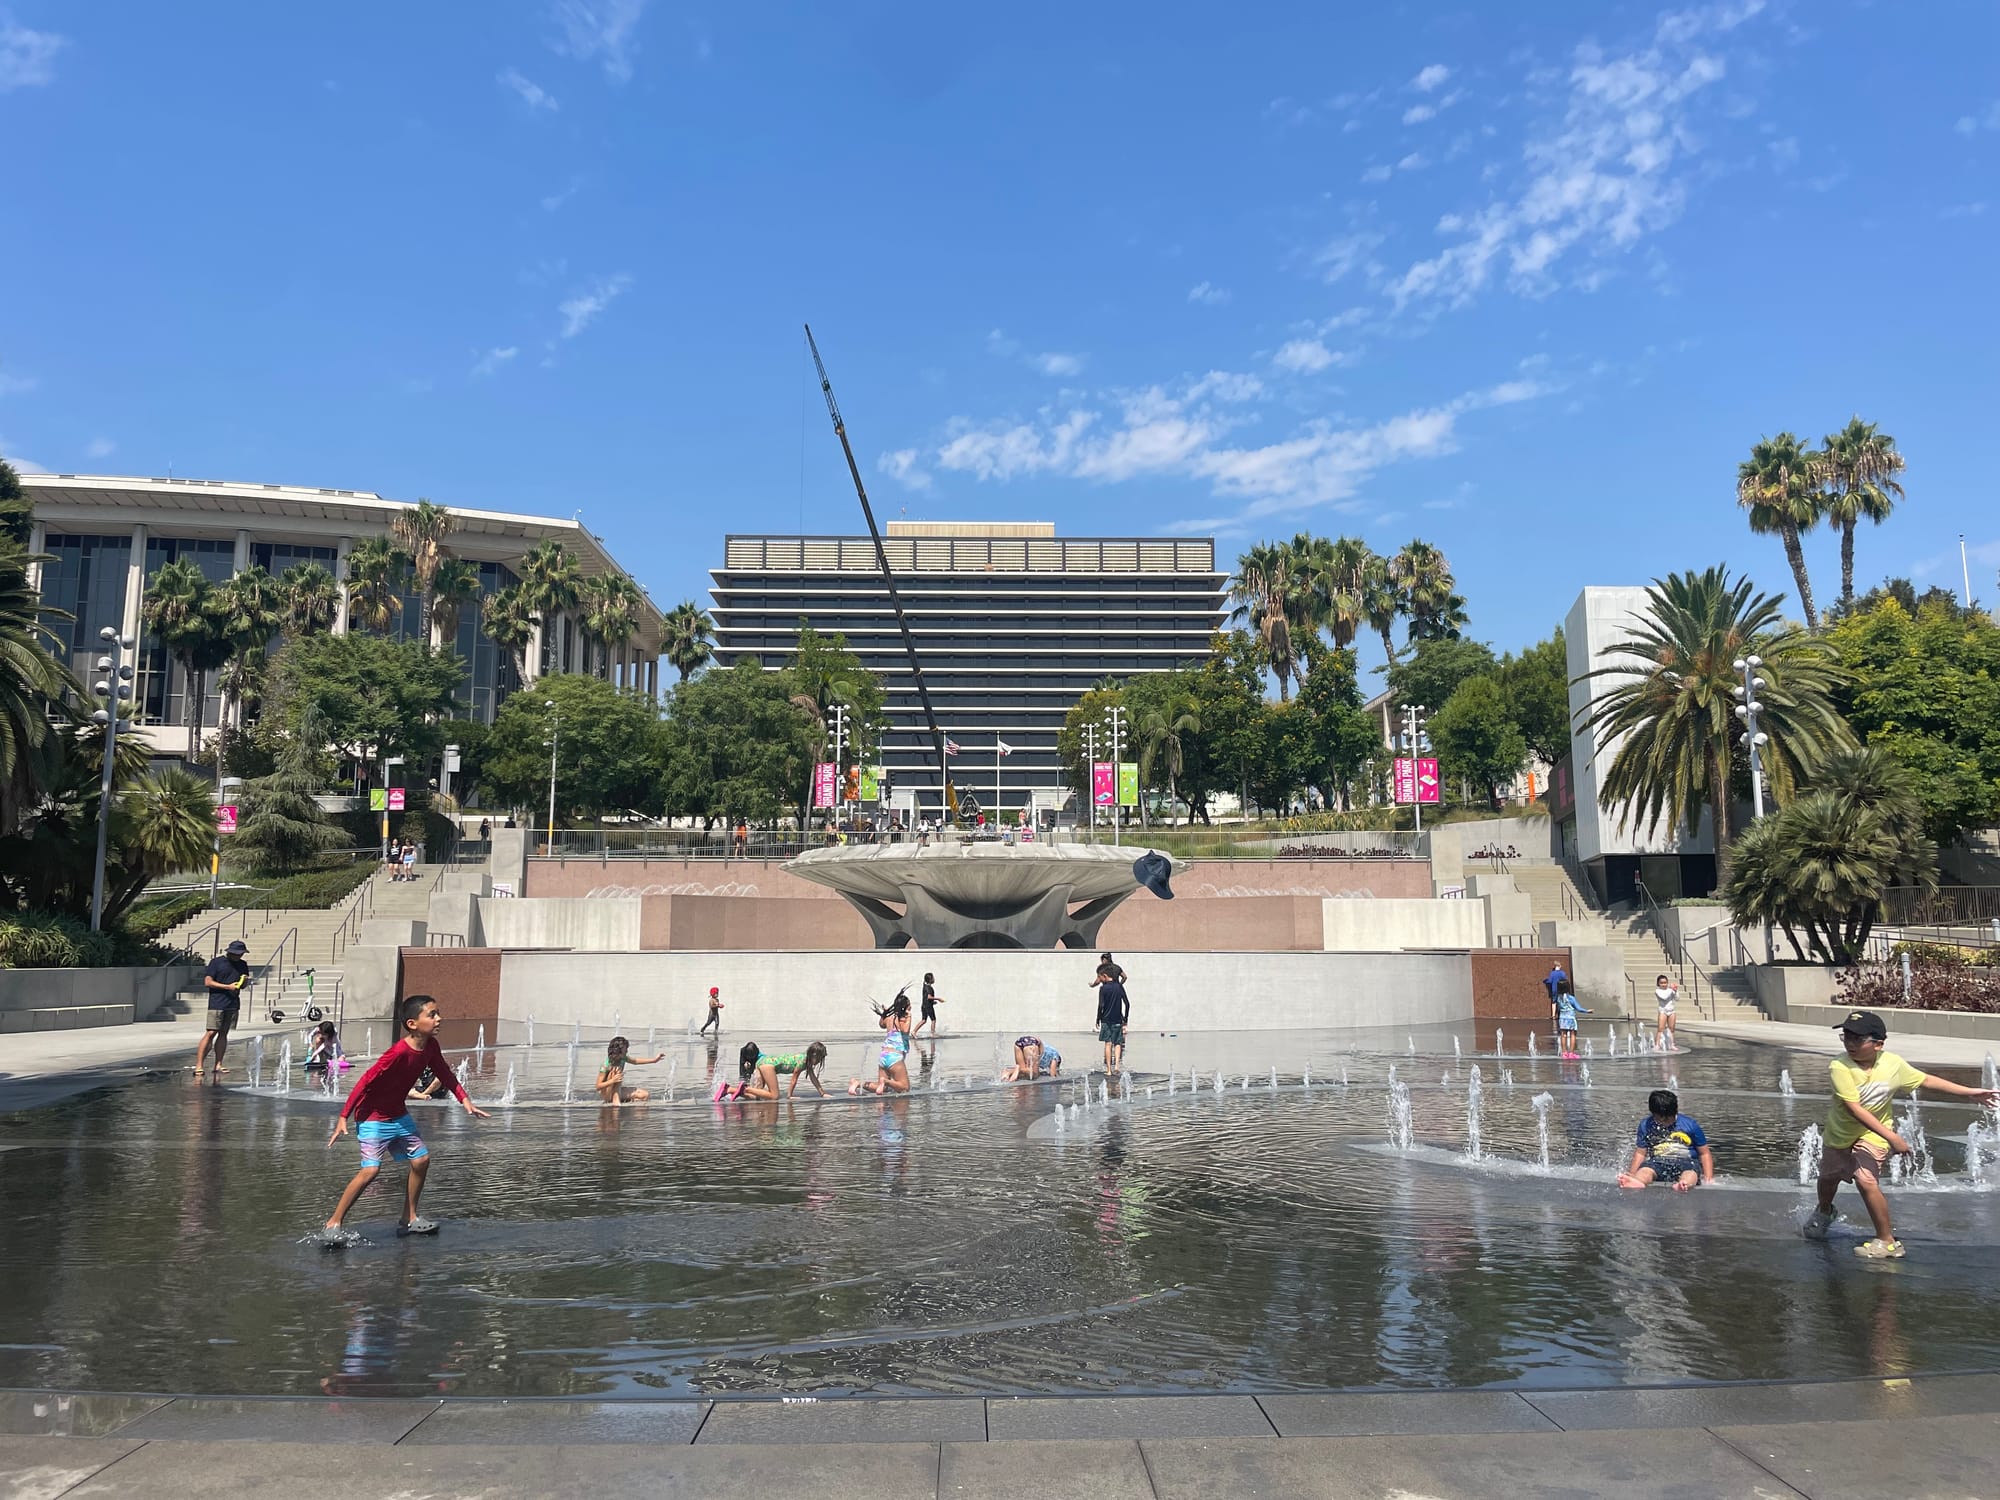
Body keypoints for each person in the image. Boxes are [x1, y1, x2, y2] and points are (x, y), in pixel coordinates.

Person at [1805, 1009, 2000, 1258]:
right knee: (1828, 1178)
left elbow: (1925, 1080)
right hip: (1840, 1134)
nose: (1850, 1044)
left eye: (1857, 1039)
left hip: (1873, 1134)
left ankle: (1887, 1241)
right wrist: (1894, 1137)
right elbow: (1853, 1109)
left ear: (1878, 1044)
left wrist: (1969, 1093)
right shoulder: (1840, 1066)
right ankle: (1824, 1211)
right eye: (1846, 1037)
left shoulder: (1892, 1064)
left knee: (1865, 1179)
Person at [320, 994, 490, 1246]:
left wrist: (465, 1100)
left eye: (437, 1013)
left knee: (421, 1160)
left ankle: (408, 1218)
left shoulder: (431, 1046)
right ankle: (333, 1223)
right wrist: (344, 1116)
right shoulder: (398, 1052)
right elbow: (365, 1081)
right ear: (412, 1023)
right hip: (373, 1117)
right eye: (431, 1014)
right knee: (371, 1170)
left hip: (398, 1114)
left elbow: (444, 1072)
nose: (438, 1018)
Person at [1618, 1089, 1714, 1191]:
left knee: (1690, 1174)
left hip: (1687, 1162)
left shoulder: (1690, 1125)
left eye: (1668, 1119)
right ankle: (1638, 1181)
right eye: (1660, 1119)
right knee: (1645, 1171)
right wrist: (1633, 1174)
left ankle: (1683, 1184)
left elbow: (1704, 1153)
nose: (1664, 1123)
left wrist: (1708, 1177)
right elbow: (1640, 1153)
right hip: (1657, 1162)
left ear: (1675, 1111)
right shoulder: (1646, 1125)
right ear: (1653, 1113)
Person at [193, 940, 252, 1078]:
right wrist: (227, 987)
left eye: (241, 954)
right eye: (237, 954)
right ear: (229, 952)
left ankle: (218, 1064)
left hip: (232, 1003)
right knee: (211, 1032)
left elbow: (242, 984)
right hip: (217, 1003)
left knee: (224, 1033)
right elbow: (208, 982)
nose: (239, 957)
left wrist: (243, 983)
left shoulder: (242, 965)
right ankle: (199, 1065)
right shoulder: (217, 962)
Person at [849, 993, 912, 1095]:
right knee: (905, 1087)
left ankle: (857, 1083)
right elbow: (905, 1030)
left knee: (882, 1088)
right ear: (905, 1007)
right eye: (909, 1005)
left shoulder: (889, 1018)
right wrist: (909, 1015)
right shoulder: (903, 1019)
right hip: (895, 1056)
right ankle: (886, 1081)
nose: (911, 1007)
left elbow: (881, 1025)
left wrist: (884, 1014)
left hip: (884, 1055)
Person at [737, 1041, 831, 1100]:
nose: (819, 1062)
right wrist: (789, 1096)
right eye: (819, 1059)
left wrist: (822, 1093)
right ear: (814, 1055)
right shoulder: (803, 1061)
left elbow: (813, 1078)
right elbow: (794, 1079)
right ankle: (746, 1088)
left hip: (763, 1062)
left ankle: (729, 1089)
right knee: (774, 1096)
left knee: (756, 1095)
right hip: (768, 1064)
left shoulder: (807, 1061)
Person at [596, 1035, 665, 1104]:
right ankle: (615, 1102)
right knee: (615, 1072)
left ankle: (624, 1105)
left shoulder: (623, 1058)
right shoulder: (606, 1065)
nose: (627, 1051)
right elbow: (598, 1086)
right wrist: (612, 1080)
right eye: (625, 1049)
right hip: (607, 1093)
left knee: (644, 1095)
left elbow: (635, 1061)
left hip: (617, 1088)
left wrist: (654, 1060)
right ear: (618, 1050)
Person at [1091, 959, 1130, 1072]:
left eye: (1100, 977)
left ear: (1104, 975)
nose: (1099, 980)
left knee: (1108, 1043)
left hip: (1106, 1019)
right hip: (1118, 1019)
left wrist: (1098, 1018)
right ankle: (1117, 1066)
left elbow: (1101, 1005)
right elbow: (1127, 1003)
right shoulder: (1119, 987)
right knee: (1118, 1043)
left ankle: (1108, 1069)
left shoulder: (1103, 989)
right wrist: (1125, 1019)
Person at [1554, 983, 1589, 1058]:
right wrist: (1587, 1011)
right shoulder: (1571, 998)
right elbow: (1578, 1008)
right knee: (1573, 1035)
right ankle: (1571, 1053)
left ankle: (1564, 1053)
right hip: (1571, 1018)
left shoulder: (1558, 998)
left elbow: (1558, 1008)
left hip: (1562, 1018)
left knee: (1563, 1035)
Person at [1654, 974, 1681, 1051]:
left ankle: (1672, 1044)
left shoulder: (1670, 990)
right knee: (1660, 1028)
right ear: (1658, 984)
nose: (1663, 984)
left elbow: (1677, 998)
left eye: (1665, 982)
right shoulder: (1658, 991)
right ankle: (1657, 1044)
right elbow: (1664, 997)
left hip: (1671, 1011)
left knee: (1671, 1029)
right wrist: (1671, 990)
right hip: (1663, 1011)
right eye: (1661, 983)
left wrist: (1675, 991)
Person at [1543, 962, 1569, 1040]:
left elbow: (1549, 981)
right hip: (1561, 989)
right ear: (1560, 966)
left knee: (1553, 1002)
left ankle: (1553, 1015)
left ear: (1555, 967)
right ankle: (1561, 1013)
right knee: (1561, 1001)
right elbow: (1565, 980)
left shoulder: (1552, 973)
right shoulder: (1562, 973)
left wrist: (1545, 981)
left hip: (1554, 989)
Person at [916, 971, 943, 1039]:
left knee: (924, 1020)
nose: (934, 979)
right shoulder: (929, 988)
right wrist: (938, 999)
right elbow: (929, 997)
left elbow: (926, 998)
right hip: (928, 1006)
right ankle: (932, 1033)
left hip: (924, 1005)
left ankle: (914, 1031)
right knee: (933, 1019)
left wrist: (932, 1002)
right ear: (930, 980)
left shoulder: (925, 986)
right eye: (933, 978)